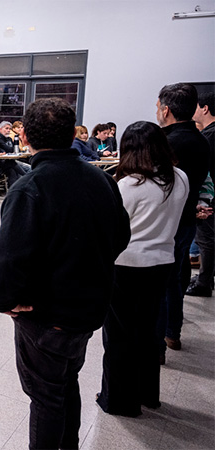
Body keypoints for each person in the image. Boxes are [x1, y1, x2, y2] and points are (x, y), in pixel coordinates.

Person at [0, 98, 131, 450]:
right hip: (89, 307)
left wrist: (4, 300)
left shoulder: (30, 188)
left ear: (25, 136)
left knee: (46, 396)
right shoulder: (102, 179)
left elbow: (10, 258)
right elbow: (121, 237)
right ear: (72, 134)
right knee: (66, 382)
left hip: (46, 314)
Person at [96, 121, 188, 418]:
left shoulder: (129, 185)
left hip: (127, 265)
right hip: (162, 262)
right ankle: (148, 394)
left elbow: (112, 229)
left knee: (119, 336)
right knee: (149, 332)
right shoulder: (180, 178)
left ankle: (118, 400)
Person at [155, 83, 210, 356]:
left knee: (162, 279)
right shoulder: (201, 140)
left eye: (157, 107)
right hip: (188, 217)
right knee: (177, 274)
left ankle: (159, 339)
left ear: (166, 110)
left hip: (165, 220)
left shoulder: (167, 143)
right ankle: (172, 332)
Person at [187, 92, 215, 297]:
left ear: (205, 108)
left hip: (207, 197)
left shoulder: (208, 137)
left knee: (205, 238)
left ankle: (204, 281)